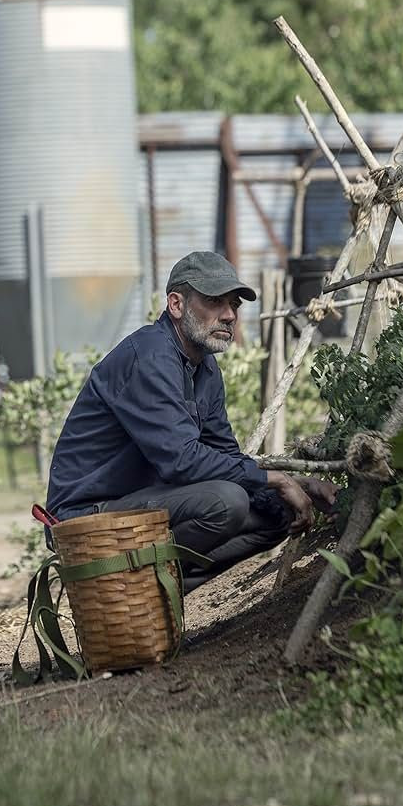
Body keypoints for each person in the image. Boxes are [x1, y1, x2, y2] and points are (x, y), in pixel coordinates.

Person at [45, 250, 337, 592]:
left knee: (277, 512)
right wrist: (275, 478)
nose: (229, 315)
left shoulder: (205, 368)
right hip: (83, 517)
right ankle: (138, 588)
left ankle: (159, 595)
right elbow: (181, 462)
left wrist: (297, 485)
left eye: (234, 305)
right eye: (215, 301)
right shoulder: (150, 358)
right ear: (176, 305)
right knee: (225, 502)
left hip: (141, 504)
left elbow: (225, 457)